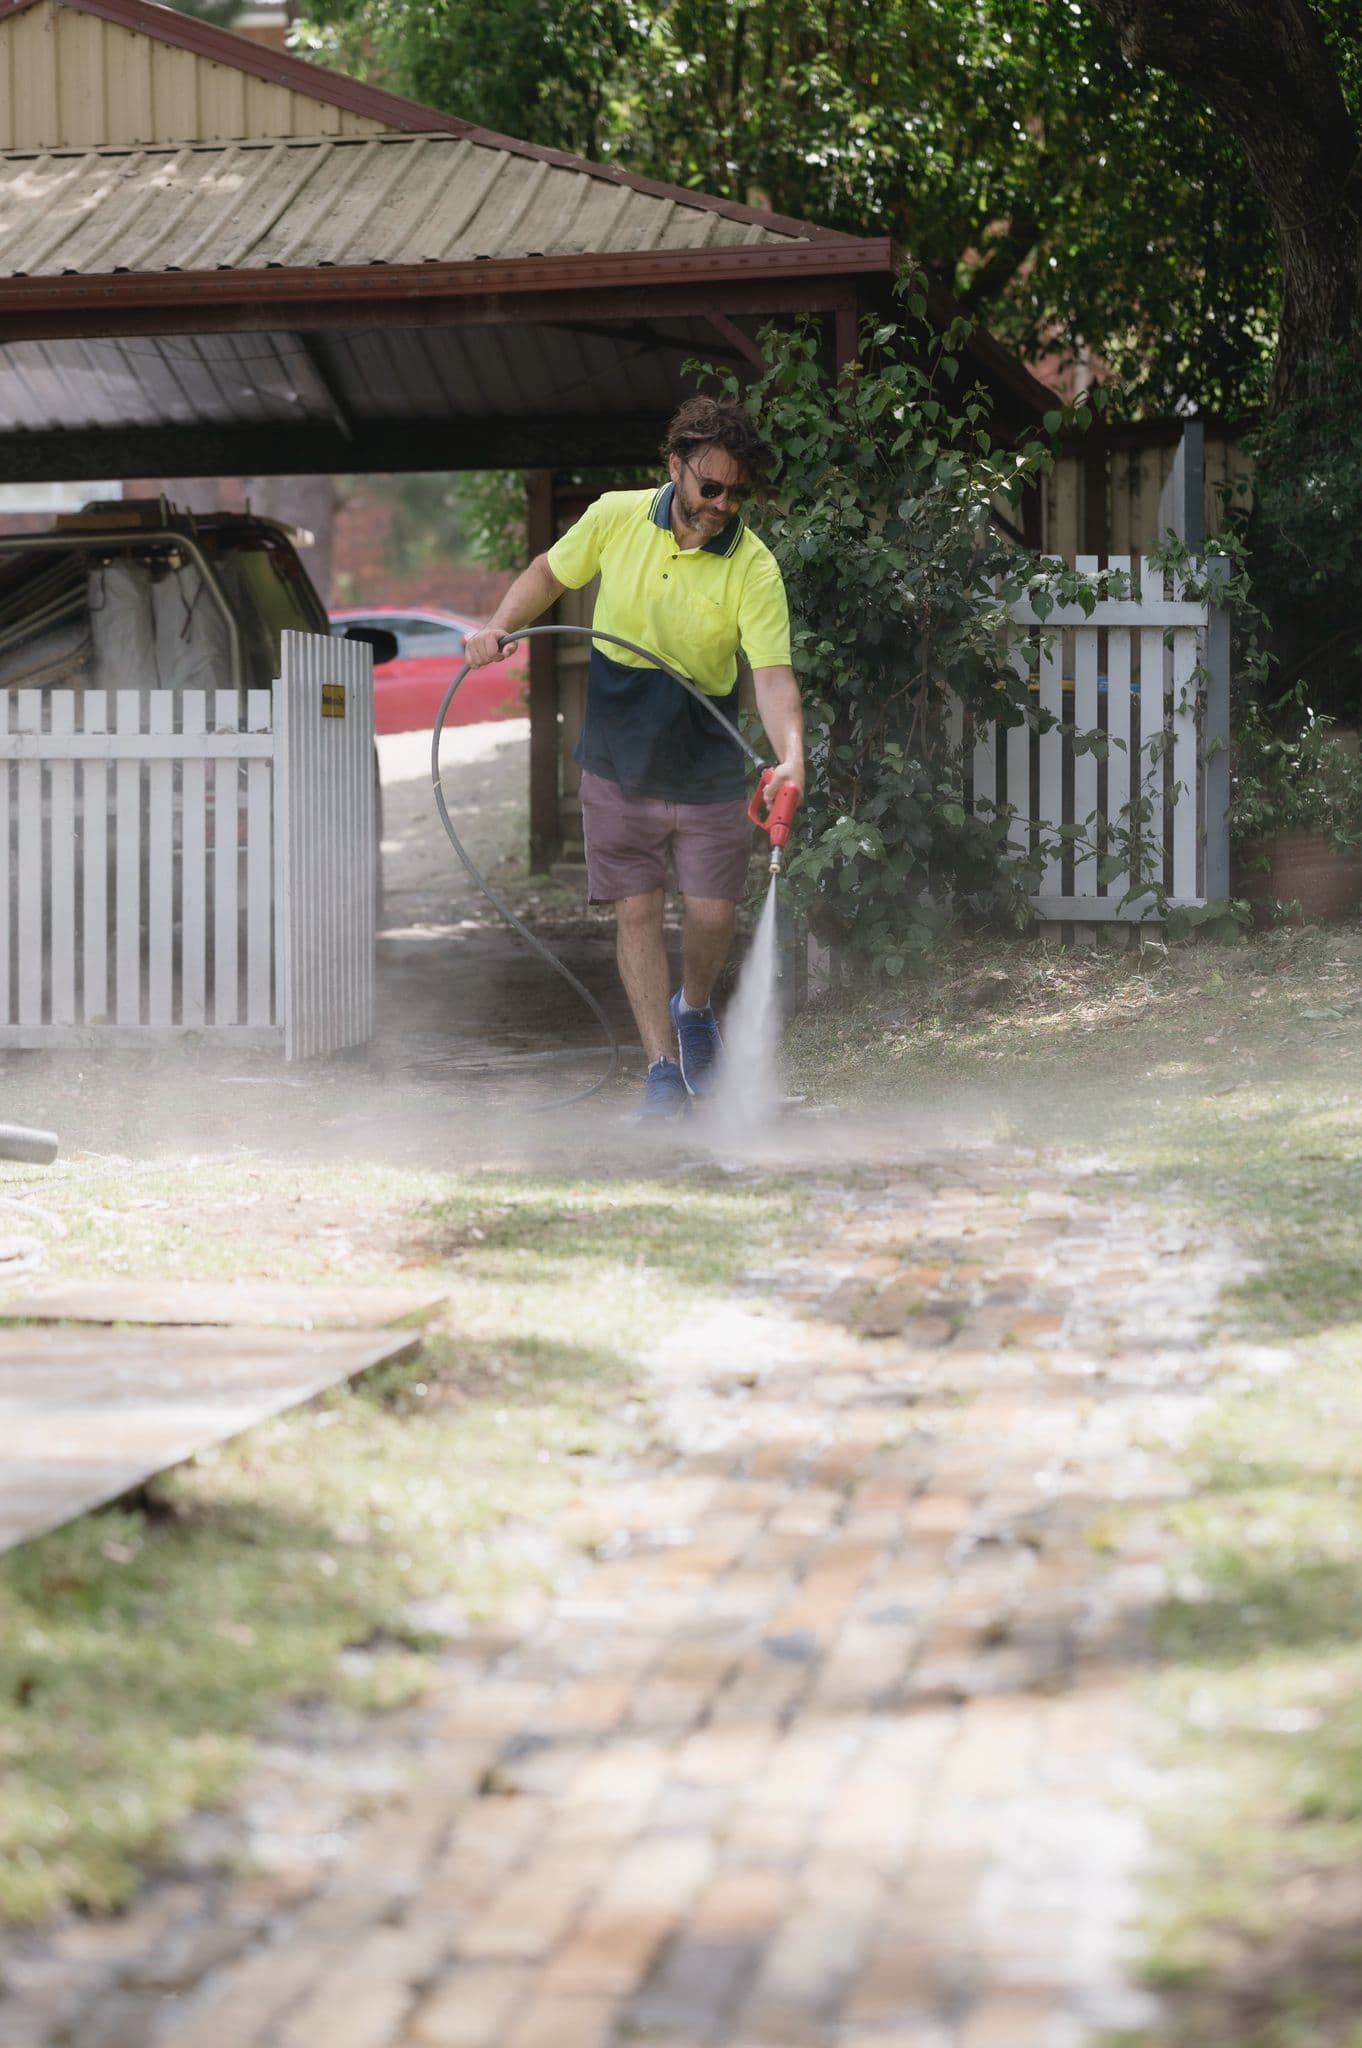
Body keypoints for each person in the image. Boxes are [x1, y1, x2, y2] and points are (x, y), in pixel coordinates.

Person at [463, 396, 805, 1119]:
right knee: (637, 910)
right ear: (675, 466)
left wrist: (791, 756)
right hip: (618, 758)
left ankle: (694, 1007)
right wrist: (497, 625)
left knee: (712, 915)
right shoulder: (615, 516)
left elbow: (772, 678)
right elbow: (549, 574)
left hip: (705, 761)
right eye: (711, 487)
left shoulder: (754, 565)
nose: (722, 505)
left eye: (737, 493)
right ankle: (660, 1070)